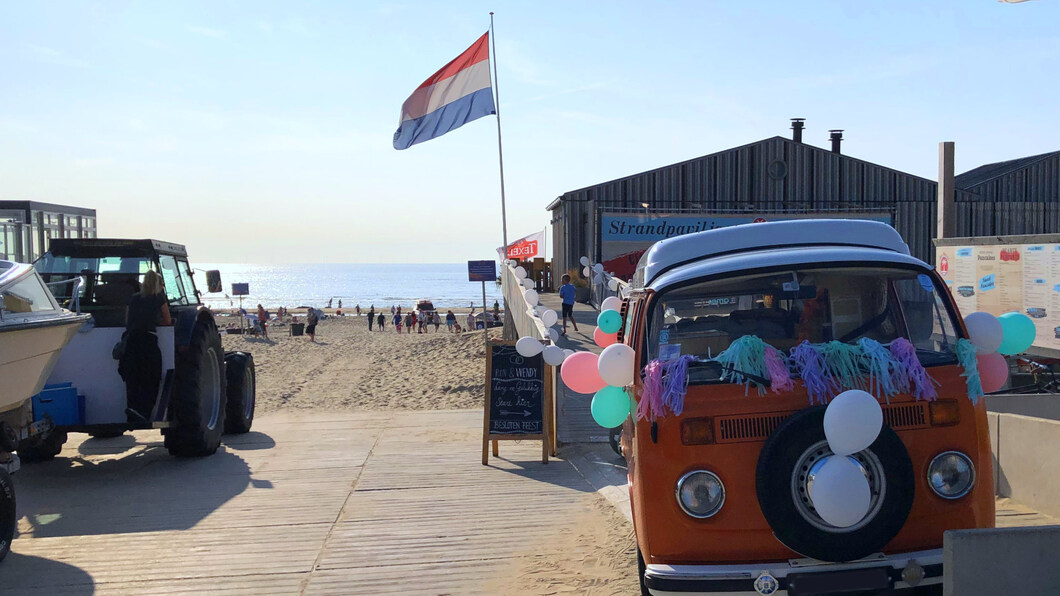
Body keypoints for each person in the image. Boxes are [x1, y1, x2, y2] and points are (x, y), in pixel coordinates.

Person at [119, 270, 172, 423]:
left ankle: (132, 410)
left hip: (131, 341)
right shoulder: (159, 298)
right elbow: (167, 321)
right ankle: (144, 413)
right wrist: (156, 323)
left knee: (133, 379)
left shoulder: (134, 298)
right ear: (158, 284)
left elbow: (128, 320)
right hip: (148, 340)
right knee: (152, 378)